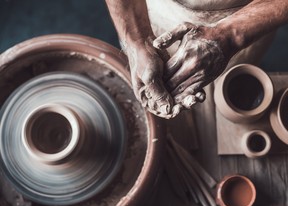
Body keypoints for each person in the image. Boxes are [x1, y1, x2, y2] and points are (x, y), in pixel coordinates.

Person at [105, 0, 288, 119]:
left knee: (230, 85)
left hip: (247, 17)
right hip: (159, 8)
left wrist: (230, 36)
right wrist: (138, 40)